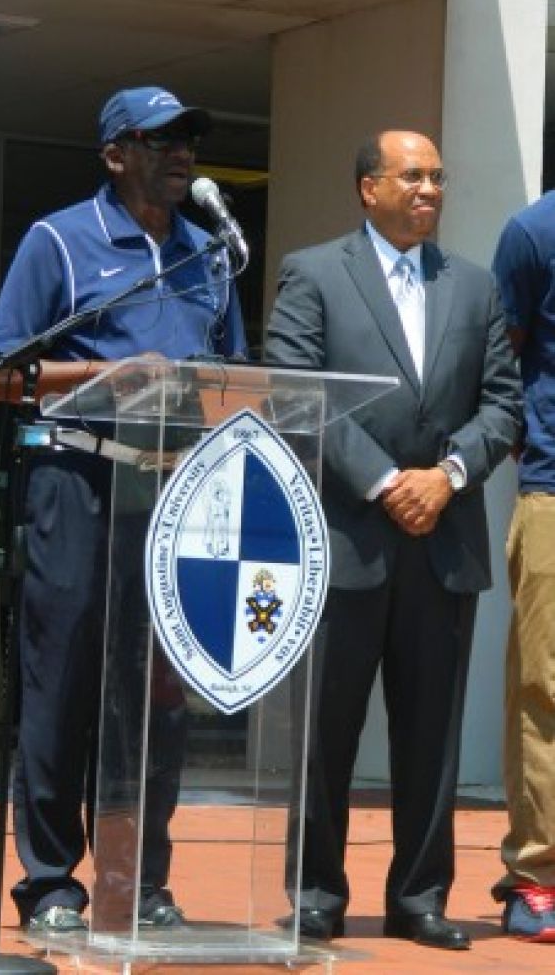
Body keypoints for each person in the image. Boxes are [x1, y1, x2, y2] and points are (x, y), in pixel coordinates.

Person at [0, 85, 246, 934]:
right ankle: (51, 881)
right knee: (62, 688)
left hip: (173, 495)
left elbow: (232, 379)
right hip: (80, 483)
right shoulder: (58, 240)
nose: (181, 155)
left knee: (157, 700)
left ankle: (140, 879)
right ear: (114, 154)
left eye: (189, 142)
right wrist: (105, 380)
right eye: (160, 140)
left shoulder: (211, 256)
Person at [264, 130, 522, 951]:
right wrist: (384, 480)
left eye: (437, 177)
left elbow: (503, 406)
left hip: (443, 544)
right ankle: (314, 891)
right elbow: (295, 391)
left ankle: (419, 895)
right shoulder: (313, 273)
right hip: (345, 536)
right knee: (325, 732)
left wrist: (445, 475)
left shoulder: (474, 288)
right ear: (366, 186)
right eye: (411, 176)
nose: (428, 190)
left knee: (430, 736)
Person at [490, 190, 555, 941]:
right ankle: (537, 874)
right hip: (552, 490)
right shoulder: (534, 231)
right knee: (542, 686)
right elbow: (499, 365)